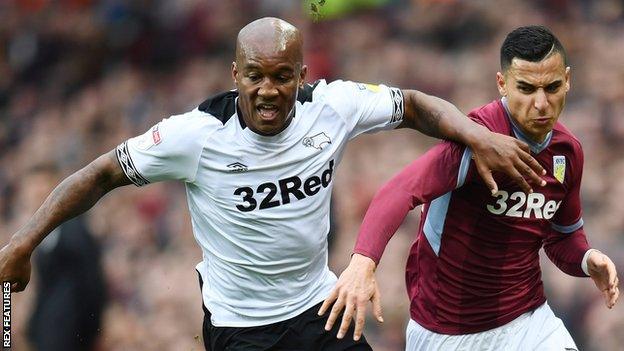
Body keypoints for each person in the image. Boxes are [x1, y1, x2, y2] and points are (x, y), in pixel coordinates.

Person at [0, 18, 547, 350]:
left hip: (320, 306)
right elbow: (99, 174)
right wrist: (23, 242)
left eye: (282, 76)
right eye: (255, 76)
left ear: (302, 75)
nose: (268, 90)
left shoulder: (331, 107)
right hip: (243, 330)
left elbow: (416, 106)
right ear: (235, 75)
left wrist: (478, 137)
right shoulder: (195, 136)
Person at [321, 25, 620, 350]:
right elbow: (399, 190)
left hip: (529, 323)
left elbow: (561, 236)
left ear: (568, 80)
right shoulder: (476, 140)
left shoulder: (567, 151)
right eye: (526, 88)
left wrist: (587, 258)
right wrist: (364, 260)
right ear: (502, 84)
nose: (540, 103)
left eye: (552, 87)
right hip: (448, 333)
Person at [22, 165, 106, 351]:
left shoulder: (74, 230)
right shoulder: (39, 234)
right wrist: (33, 328)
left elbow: (93, 283)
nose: (36, 192)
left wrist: (92, 332)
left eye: (42, 185)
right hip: (49, 333)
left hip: (70, 335)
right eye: (31, 187)